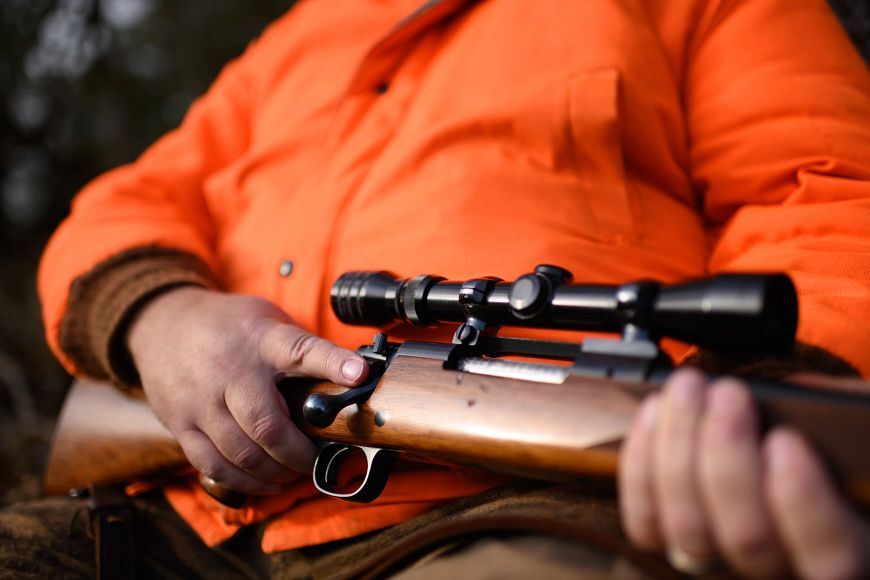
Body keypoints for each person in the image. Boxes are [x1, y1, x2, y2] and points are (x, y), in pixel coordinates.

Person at [6, 0, 870, 577]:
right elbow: (126, 202)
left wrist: (761, 394)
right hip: (181, 525)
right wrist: (163, 314)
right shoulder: (300, 35)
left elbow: (828, 196)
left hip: (525, 510)